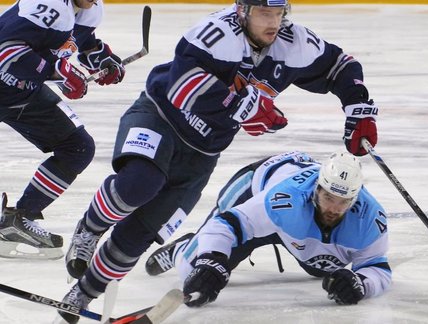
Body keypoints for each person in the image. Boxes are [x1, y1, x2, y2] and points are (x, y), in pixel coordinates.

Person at [58, 0, 378, 322]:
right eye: (265, 13)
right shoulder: (218, 32)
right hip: (159, 117)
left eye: (279, 14)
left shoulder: (294, 42)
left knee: (139, 234)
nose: (274, 22)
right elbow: (183, 89)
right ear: (243, 11)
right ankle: (90, 228)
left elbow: (340, 65)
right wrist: (245, 107)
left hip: (204, 150)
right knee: (140, 183)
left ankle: (82, 293)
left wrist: (358, 108)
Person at [146, 151, 392, 307]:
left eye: (343, 202)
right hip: (254, 187)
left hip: (293, 225)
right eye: (328, 197)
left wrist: (362, 284)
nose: (334, 208)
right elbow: (226, 224)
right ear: (316, 189)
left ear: (355, 198)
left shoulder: (370, 217)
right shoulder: (283, 200)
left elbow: (377, 268)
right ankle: (183, 249)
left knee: (324, 271)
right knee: (193, 269)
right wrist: (211, 258)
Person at [0, 0, 125, 260]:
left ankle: (17, 221)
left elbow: (81, 40)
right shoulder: (48, 4)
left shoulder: (89, 8)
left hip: (20, 91)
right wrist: (58, 72)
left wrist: (101, 60)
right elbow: (6, 49)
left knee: (77, 147)